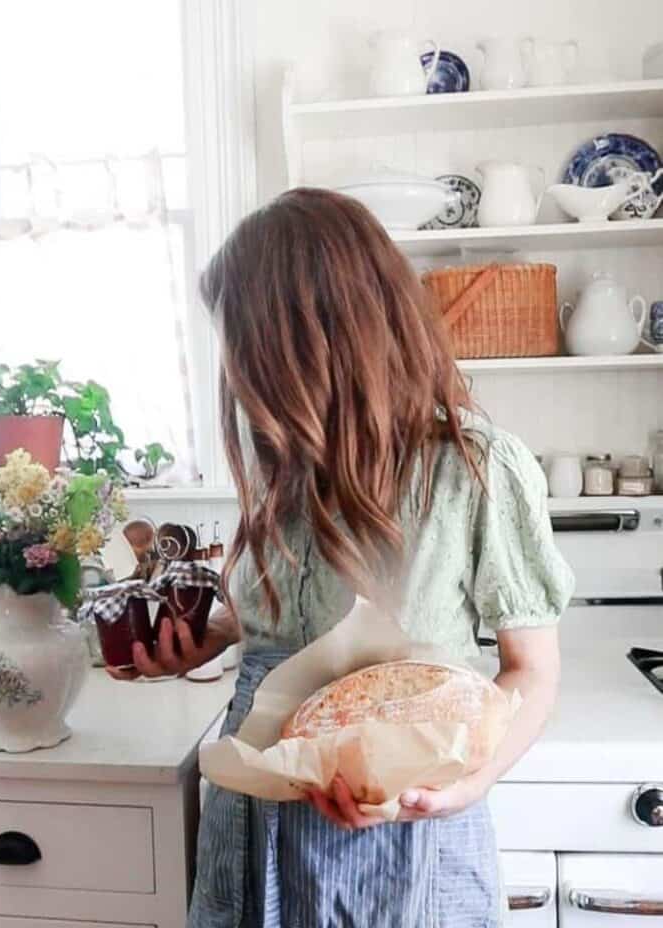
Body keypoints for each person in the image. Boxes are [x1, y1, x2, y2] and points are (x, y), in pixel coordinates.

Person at [107, 188, 574, 928]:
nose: (238, 376)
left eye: (249, 349)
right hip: (257, 822)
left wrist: (468, 783)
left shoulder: (474, 469)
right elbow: (296, 629)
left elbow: (533, 668)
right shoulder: (278, 467)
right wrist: (221, 633)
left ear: (320, 341)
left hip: (409, 828)